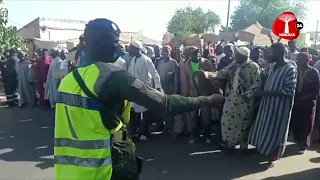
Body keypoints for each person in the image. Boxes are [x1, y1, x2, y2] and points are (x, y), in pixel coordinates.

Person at [54, 18, 224, 180]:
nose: (120, 47)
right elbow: (164, 104)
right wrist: (206, 100)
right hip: (104, 170)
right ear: (102, 44)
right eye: (116, 42)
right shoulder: (111, 77)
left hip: (69, 172)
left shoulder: (68, 81)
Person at [199, 47, 261, 151]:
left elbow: (257, 83)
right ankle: (228, 143)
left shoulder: (253, 67)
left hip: (245, 100)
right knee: (227, 120)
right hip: (232, 97)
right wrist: (206, 74)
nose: (235, 56)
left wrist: (248, 94)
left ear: (244, 56)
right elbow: (221, 73)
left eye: (237, 54)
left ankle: (243, 146)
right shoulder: (234, 65)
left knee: (243, 123)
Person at [248, 43, 298, 167]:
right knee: (264, 129)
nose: (268, 55)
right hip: (267, 105)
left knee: (276, 132)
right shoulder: (273, 66)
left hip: (279, 109)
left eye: (271, 53)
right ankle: (263, 152)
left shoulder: (290, 69)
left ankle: (273, 158)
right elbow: (262, 74)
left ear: (280, 54)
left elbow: (288, 91)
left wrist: (264, 93)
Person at [127, 40, 162, 140]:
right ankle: (136, 130)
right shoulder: (132, 59)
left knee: (146, 111)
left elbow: (155, 74)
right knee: (135, 111)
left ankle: (144, 133)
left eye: (130, 47)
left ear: (136, 49)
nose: (129, 49)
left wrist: (158, 87)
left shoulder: (146, 59)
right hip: (134, 89)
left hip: (145, 89)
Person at [180, 46, 215, 144]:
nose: (198, 54)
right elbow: (184, 81)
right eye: (195, 52)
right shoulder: (186, 65)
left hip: (205, 94)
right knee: (193, 117)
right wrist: (184, 95)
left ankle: (207, 136)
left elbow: (213, 76)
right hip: (192, 94)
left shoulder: (206, 63)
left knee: (206, 116)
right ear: (190, 55)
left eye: (199, 52)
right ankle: (194, 136)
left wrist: (206, 75)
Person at [290, 52, 319, 153]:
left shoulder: (314, 72)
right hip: (296, 101)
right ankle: (298, 141)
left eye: (301, 60)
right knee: (295, 123)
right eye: (298, 60)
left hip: (308, 103)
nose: (298, 62)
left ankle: (303, 145)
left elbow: (316, 90)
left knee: (306, 124)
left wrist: (306, 98)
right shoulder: (295, 71)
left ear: (307, 61)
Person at [154, 45, 179, 132]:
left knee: (168, 109)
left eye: (167, 50)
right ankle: (160, 125)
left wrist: (175, 91)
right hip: (159, 89)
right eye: (164, 50)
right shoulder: (158, 62)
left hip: (169, 90)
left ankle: (169, 127)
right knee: (159, 108)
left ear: (170, 52)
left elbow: (176, 78)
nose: (165, 52)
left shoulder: (173, 63)